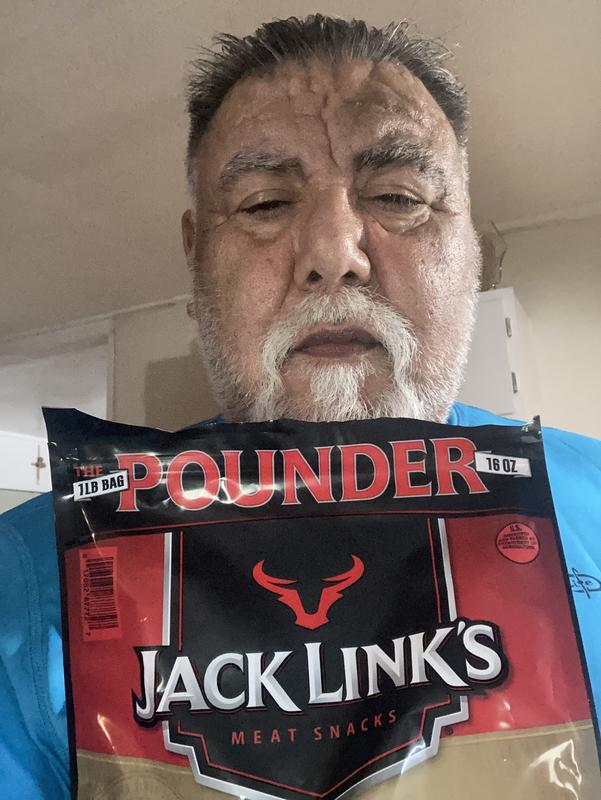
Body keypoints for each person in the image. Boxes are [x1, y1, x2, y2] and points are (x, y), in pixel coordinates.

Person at [1, 14, 599, 800]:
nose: (332, 253)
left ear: (470, 256)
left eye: (398, 196)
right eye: (263, 204)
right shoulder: (24, 576)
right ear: (196, 259)